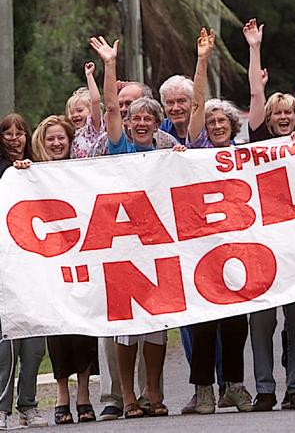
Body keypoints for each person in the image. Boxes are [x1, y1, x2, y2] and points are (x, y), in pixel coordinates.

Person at [91, 34, 178, 418]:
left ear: (157, 126)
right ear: (127, 124)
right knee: (126, 329)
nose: (140, 122)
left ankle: (154, 394)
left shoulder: (166, 152)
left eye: (148, 119)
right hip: (122, 249)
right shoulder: (118, 147)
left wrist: (181, 159)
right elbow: (110, 106)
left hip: (158, 249)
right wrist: (110, 64)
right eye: (135, 118)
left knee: (157, 326)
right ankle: (128, 398)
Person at [180, 27, 253, 415]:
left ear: (232, 125)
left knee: (235, 321)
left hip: (239, 245)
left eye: (222, 121)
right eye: (211, 123)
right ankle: (203, 389)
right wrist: (203, 60)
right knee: (205, 320)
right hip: (202, 246)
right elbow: (196, 106)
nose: (216, 126)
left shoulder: (247, 155)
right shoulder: (197, 150)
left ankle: (235, 387)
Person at [243, 18, 295, 412]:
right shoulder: (257, 143)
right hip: (262, 246)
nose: (282, 118)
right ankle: (265, 388)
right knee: (262, 321)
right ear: (268, 120)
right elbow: (255, 93)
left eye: (288, 113)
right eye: (276, 114)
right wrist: (255, 48)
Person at [15, 115, 100, 425]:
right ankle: (63, 395)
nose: (56, 143)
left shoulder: (84, 171)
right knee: (58, 328)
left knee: (83, 327)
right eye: (50, 138)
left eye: (61, 137)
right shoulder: (31, 173)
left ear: (70, 140)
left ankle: (84, 395)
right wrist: (22, 170)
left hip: (84, 258)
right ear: (42, 141)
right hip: (49, 263)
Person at [0, 114, 48, 429]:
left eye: (21, 132)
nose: (15, 138)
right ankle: (2, 408)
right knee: (5, 342)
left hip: (36, 269)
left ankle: (28, 405)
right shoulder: (5, 173)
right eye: (7, 133)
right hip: (5, 267)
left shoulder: (41, 170)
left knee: (34, 343)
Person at [89, 81, 177, 157]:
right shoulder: (106, 141)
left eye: (129, 104)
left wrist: (180, 153)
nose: (123, 109)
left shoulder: (167, 142)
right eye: (120, 105)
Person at [68, 62, 103, 158]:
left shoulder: (93, 127)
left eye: (79, 110)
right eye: (71, 112)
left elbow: (95, 101)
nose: (75, 115)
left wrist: (89, 75)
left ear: (91, 110)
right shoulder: (74, 135)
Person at [159, 75, 193, 144]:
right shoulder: (158, 130)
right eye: (170, 103)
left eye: (181, 101)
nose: (175, 108)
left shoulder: (208, 129)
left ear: (193, 102)